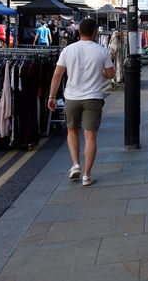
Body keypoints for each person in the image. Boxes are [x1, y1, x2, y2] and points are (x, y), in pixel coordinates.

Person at [47, 18, 115, 186]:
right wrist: (101, 72)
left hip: (72, 97)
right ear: (94, 32)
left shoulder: (68, 50)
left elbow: (57, 74)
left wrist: (52, 96)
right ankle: (87, 175)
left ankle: (76, 164)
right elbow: (111, 74)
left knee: (72, 132)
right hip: (93, 98)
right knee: (90, 136)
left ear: (79, 32)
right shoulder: (101, 51)